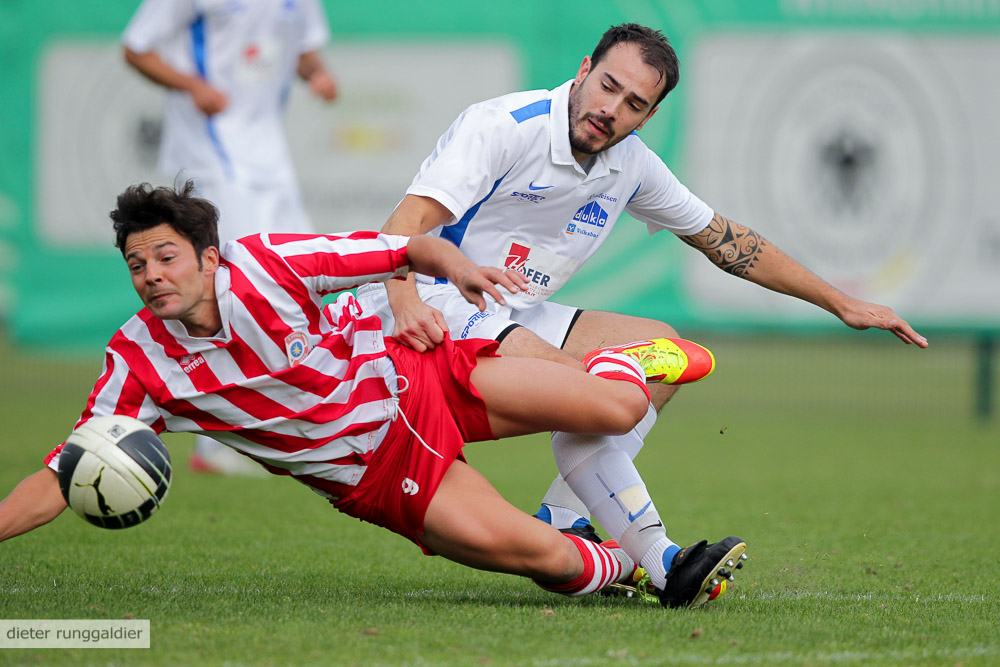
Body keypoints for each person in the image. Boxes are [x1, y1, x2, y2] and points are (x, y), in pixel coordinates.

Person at [356, 22, 927, 586]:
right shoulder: (503, 126)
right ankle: (663, 563)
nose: (612, 109)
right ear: (583, 71)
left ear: (649, 116)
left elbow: (728, 242)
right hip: (431, 305)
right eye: (607, 85)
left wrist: (841, 302)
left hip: (510, 315)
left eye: (634, 103)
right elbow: (404, 228)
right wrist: (404, 303)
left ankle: (564, 522)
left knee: (662, 350)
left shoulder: (630, 163)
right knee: (596, 390)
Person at [0, 182, 746, 610]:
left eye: (165, 255)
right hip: (382, 478)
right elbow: (66, 471)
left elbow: (405, 247)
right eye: (137, 264)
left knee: (616, 406)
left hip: (425, 375)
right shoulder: (138, 359)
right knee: (552, 564)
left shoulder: (274, 265)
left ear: (208, 257)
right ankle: (633, 564)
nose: (152, 274)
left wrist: (451, 268)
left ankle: (623, 361)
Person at [122, 0, 340, 475]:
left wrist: (317, 74)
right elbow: (136, 48)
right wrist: (193, 86)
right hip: (212, 152)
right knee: (228, 287)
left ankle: (294, 420)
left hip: (270, 156)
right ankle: (215, 443)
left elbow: (302, 50)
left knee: (305, 283)